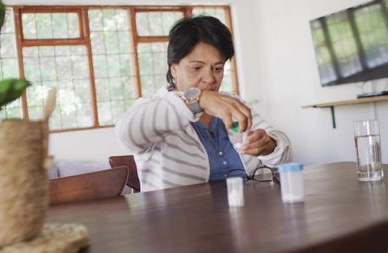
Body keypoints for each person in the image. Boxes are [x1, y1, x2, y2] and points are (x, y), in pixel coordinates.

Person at [116, 16, 292, 192]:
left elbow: (286, 154)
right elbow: (126, 132)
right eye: (196, 68)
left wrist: (270, 145)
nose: (209, 79)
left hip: (247, 212)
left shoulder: (230, 104)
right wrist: (197, 100)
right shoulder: (155, 109)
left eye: (217, 68)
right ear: (174, 69)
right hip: (181, 218)